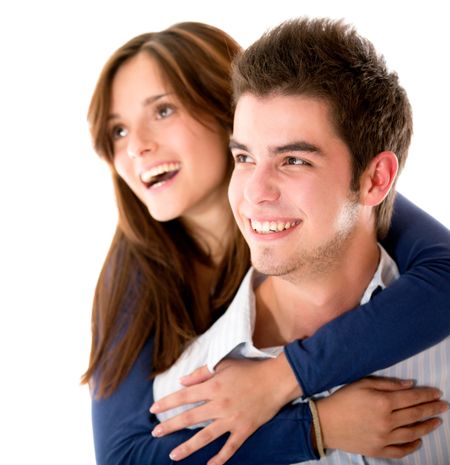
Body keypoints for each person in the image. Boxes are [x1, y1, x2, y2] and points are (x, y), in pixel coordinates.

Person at [82, 22, 450, 465]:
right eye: (117, 130)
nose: (136, 146)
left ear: (226, 112)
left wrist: (283, 378)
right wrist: (316, 425)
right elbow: (122, 456)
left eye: (162, 111)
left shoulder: (344, 191)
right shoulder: (135, 273)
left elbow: (444, 278)